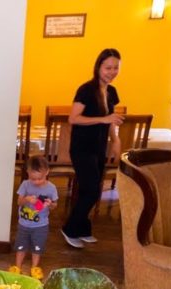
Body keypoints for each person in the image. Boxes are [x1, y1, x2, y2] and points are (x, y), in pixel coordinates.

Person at [61, 48, 124, 249]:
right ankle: (70, 228)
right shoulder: (86, 90)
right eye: (108, 67)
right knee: (89, 190)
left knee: (95, 189)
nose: (111, 72)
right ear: (98, 67)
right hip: (81, 148)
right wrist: (103, 119)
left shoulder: (112, 92)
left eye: (115, 68)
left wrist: (115, 140)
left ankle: (83, 228)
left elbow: (111, 120)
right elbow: (74, 118)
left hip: (98, 148)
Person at [9, 155, 58, 280]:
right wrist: (26, 199)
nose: (36, 182)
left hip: (40, 226)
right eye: (33, 178)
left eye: (39, 179)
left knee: (37, 248)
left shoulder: (51, 188)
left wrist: (50, 204)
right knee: (20, 246)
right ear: (28, 173)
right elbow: (19, 202)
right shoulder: (25, 185)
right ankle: (17, 267)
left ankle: (35, 267)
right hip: (23, 224)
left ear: (47, 172)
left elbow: (54, 206)